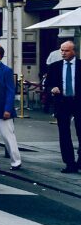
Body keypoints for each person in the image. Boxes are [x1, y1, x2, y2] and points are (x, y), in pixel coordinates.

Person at [44, 40, 81, 173]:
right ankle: (69, 163)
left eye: (66, 50)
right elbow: (47, 85)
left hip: (78, 102)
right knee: (64, 134)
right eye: (62, 50)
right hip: (62, 103)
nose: (63, 53)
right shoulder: (55, 66)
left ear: (74, 51)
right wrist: (52, 88)